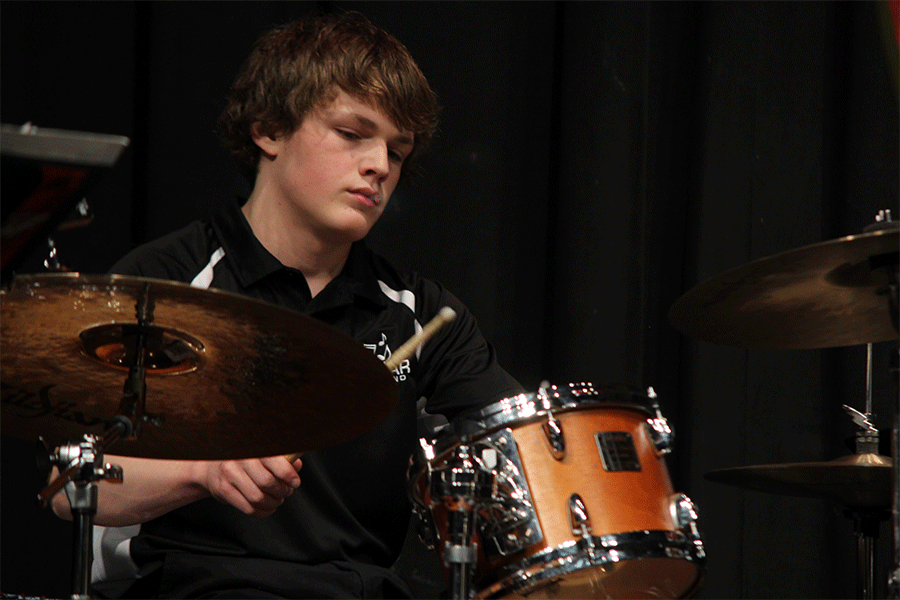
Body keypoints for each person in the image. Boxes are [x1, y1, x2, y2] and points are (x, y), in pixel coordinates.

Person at [51, 11, 522, 599]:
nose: (378, 165)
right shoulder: (164, 283)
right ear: (268, 130)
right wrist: (205, 471)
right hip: (193, 588)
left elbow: (524, 456)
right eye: (353, 134)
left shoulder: (423, 316)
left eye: (397, 152)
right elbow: (69, 486)